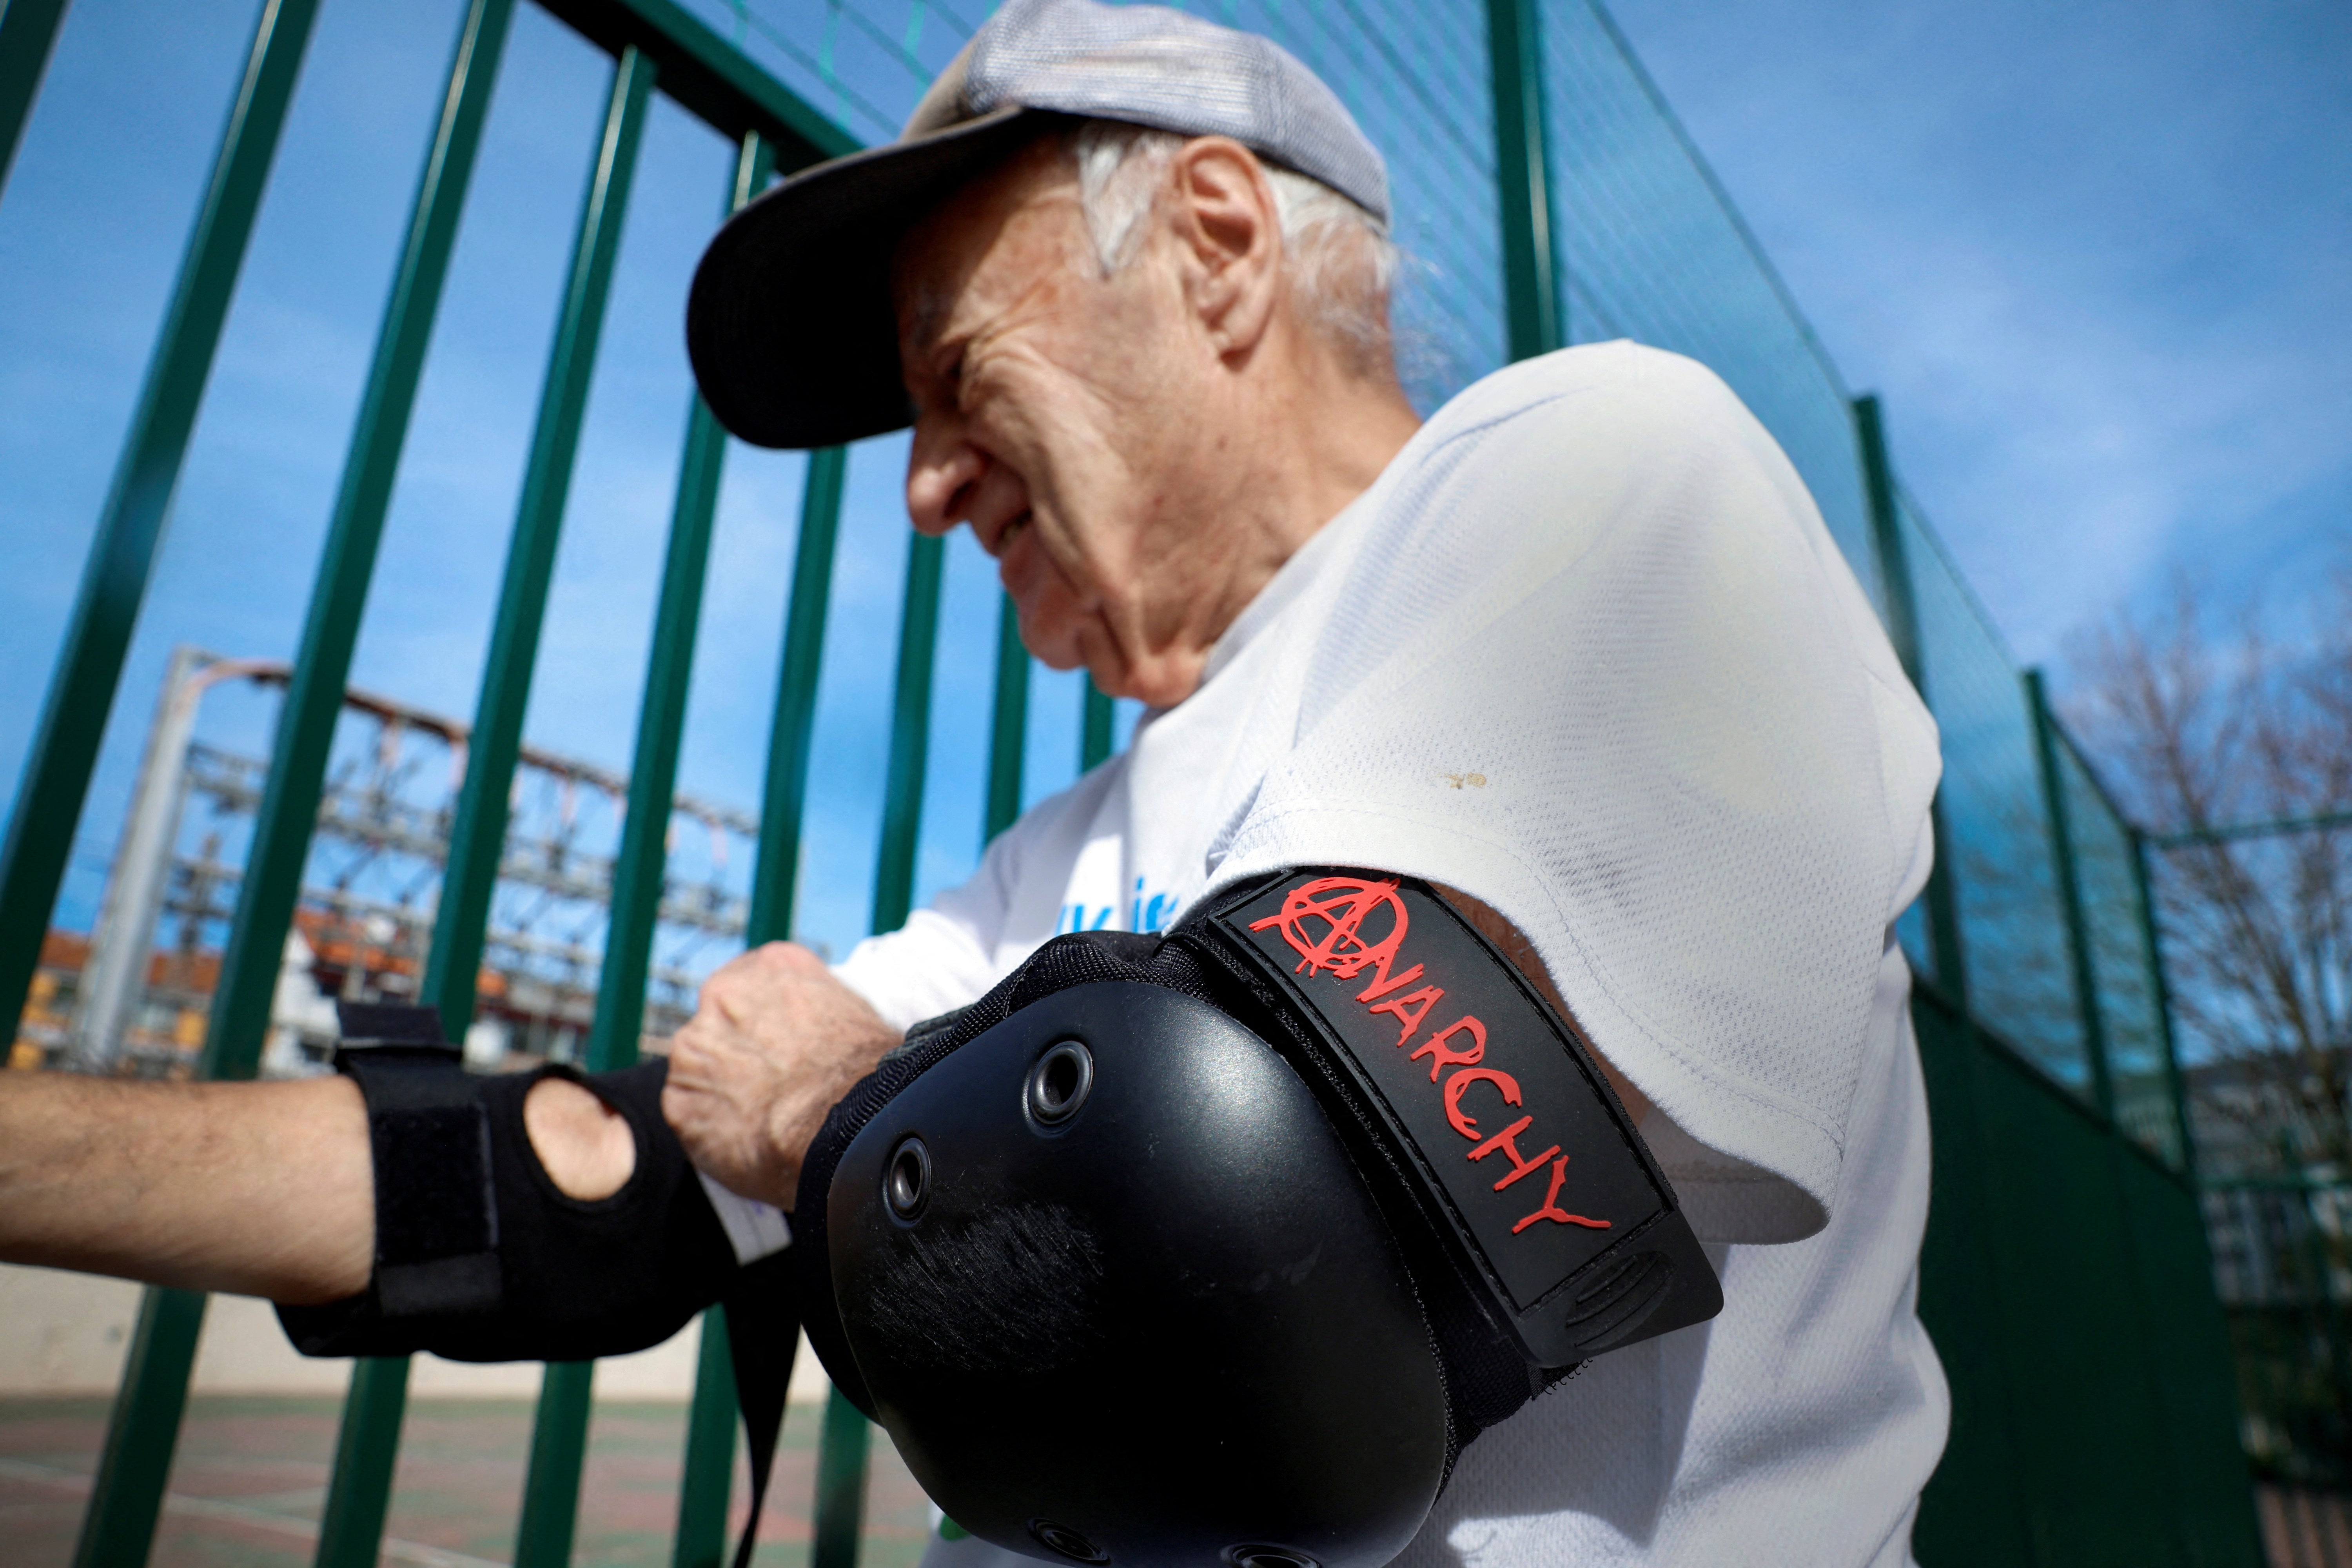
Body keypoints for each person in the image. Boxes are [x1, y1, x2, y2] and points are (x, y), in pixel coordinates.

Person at [0, 0, 1949, 1561]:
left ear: (1217, 246)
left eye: (953, 374)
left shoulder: (1595, 472)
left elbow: (1278, 1263)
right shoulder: (1064, 848)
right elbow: (604, 1179)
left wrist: (821, 1104)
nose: (925, 488)